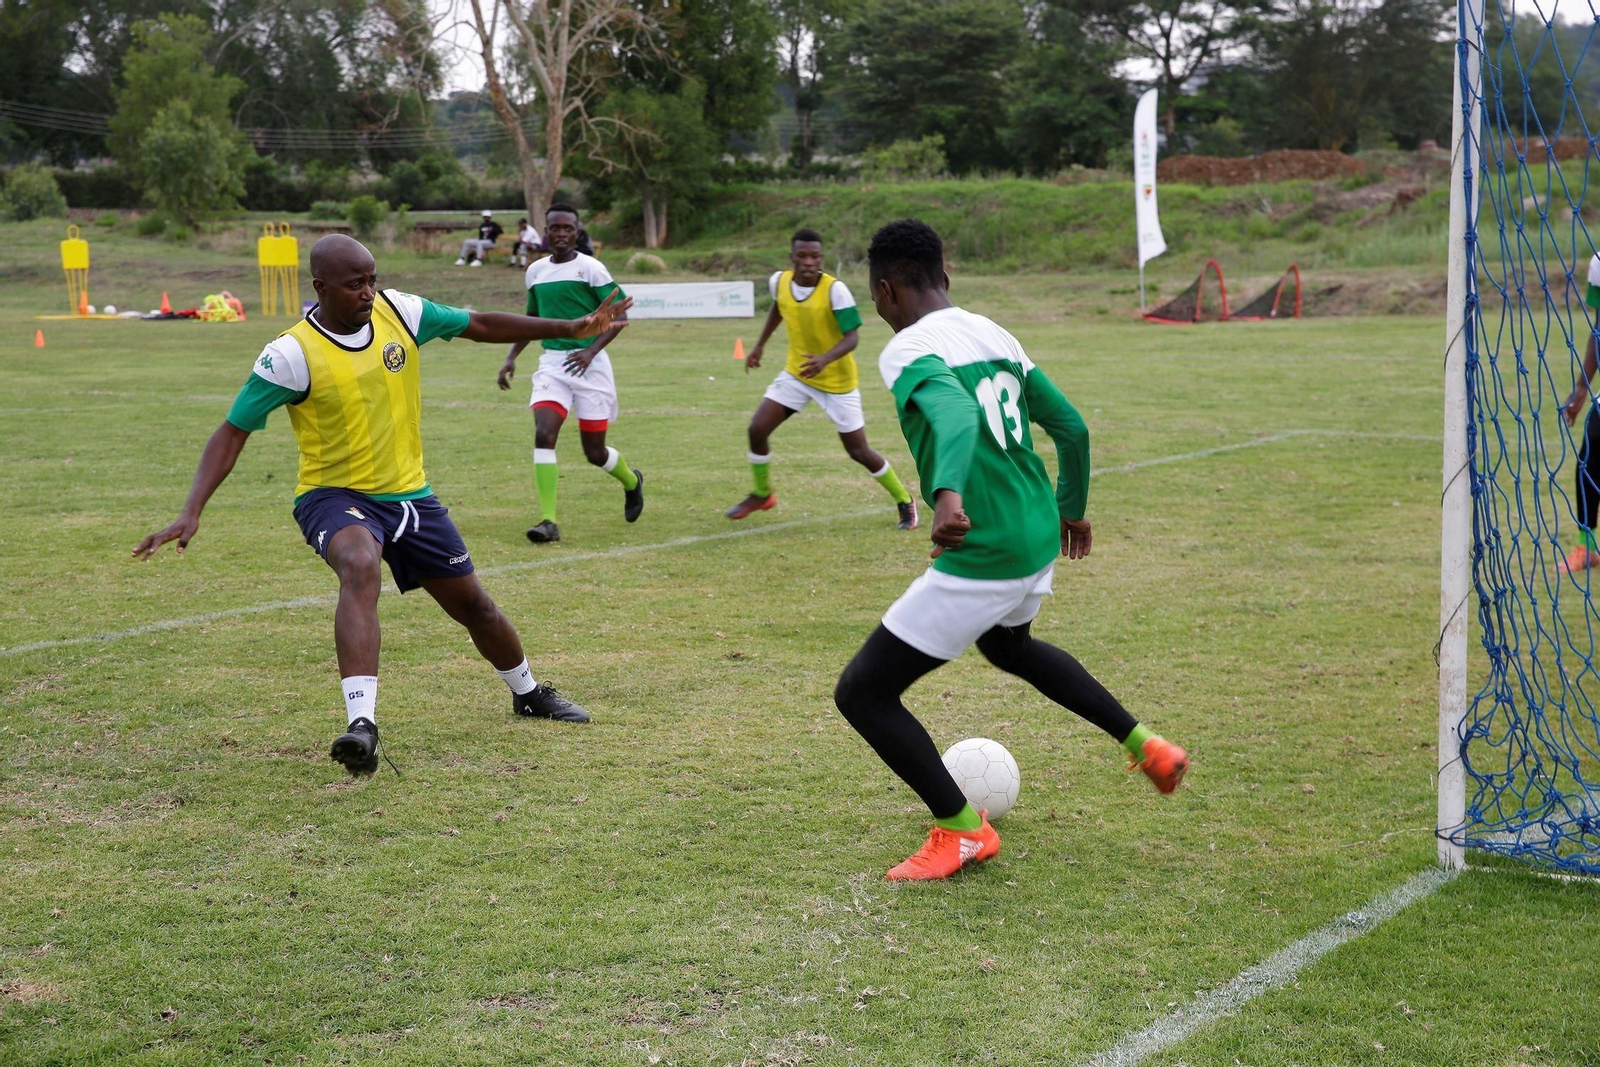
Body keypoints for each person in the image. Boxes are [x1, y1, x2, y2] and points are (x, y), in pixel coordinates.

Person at [133, 235, 632, 774]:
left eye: (371, 279)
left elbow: (479, 323)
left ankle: (528, 692)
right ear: (320, 288)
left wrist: (569, 328)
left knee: (475, 606)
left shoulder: (402, 311)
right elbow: (232, 431)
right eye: (354, 284)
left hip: (411, 496)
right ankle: (361, 726)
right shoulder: (291, 354)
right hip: (333, 495)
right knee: (359, 564)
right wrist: (192, 509)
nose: (368, 292)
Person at [833, 219, 1189, 881]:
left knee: (863, 693)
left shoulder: (907, 349)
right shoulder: (993, 332)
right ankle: (1148, 746)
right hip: (1034, 533)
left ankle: (963, 829)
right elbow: (1072, 427)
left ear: (885, 291)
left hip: (987, 545)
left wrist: (945, 494)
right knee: (1009, 646)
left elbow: (957, 417)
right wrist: (1072, 507)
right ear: (947, 276)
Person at [726, 227, 917, 529]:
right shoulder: (780, 282)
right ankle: (763, 494)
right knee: (757, 428)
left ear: (821, 258)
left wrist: (825, 359)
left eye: (815, 256)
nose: (808, 262)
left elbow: (852, 337)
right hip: (798, 374)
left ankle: (905, 500)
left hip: (837, 384)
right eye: (802, 256)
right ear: (792, 257)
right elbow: (779, 308)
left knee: (858, 451)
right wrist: (760, 346)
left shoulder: (835, 290)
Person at [498, 204, 642, 544]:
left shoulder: (591, 268)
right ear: (546, 232)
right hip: (553, 365)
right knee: (544, 434)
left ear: (577, 232)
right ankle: (548, 521)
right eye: (554, 228)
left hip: (591, 366)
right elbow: (532, 320)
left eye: (567, 228)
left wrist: (591, 351)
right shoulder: (534, 271)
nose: (561, 234)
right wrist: (511, 357)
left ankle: (632, 482)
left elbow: (620, 317)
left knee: (595, 453)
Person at [1560, 251, 1600, 573]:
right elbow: (1599, 329)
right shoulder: (1599, 262)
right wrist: (1582, 388)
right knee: (1589, 459)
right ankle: (1586, 549)